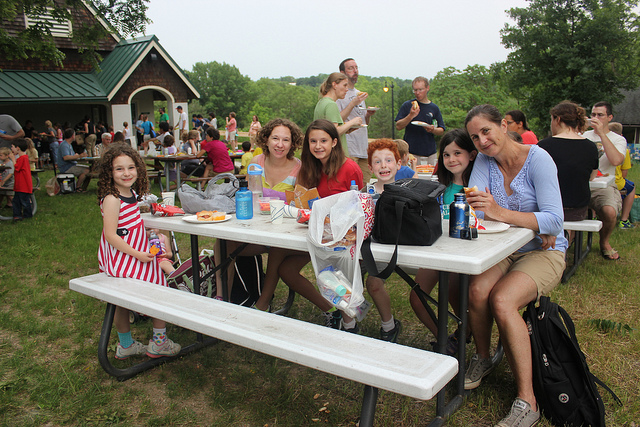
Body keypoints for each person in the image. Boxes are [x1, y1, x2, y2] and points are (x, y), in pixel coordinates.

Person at [463, 104, 567, 427]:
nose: (482, 141)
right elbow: (477, 208)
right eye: (474, 137)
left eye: (486, 131)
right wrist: (534, 222)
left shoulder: (538, 159)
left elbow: (555, 221)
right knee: (477, 290)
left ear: (504, 126)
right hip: (504, 248)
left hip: (545, 251)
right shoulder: (484, 160)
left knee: (502, 300)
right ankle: (483, 357)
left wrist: (504, 214)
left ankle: (528, 401)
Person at [97, 143, 181, 359]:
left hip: (132, 252)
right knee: (159, 287)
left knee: (121, 301)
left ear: (138, 169)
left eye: (131, 167)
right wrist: (138, 255)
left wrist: (147, 231)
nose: (126, 173)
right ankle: (159, 343)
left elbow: (128, 225)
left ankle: (126, 345)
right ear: (109, 172)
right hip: (124, 258)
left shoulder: (130, 193)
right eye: (119, 169)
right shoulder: (112, 198)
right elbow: (111, 235)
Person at [278, 119, 364, 330]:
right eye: (313, 141)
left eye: (323, 141)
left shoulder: (349, 168)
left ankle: (349, 324)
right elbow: (300, 203)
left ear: (334, 142)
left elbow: (360, 207)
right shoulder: (307, 168)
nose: (318, 146)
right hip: (314, 236)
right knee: (285, 269)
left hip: (343, 241)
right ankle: (330, 309)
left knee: (334, 275)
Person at [215, 118, 304, 310]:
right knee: (222, 243)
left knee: (277, 248)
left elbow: (300, 207)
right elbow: (246, 197)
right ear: (266, 139)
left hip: (283, 234)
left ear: (293, 143)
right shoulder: (256, 163)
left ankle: (263, 303)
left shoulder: (299, 168)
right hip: (255, 231)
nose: (280, 145)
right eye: (275, 138)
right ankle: (222, 297)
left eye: (286, 140)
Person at [409, 129, 477, 353]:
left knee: (454, 291)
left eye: (457, 153)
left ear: (472, 155)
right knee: (417, 296)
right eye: (446, 155)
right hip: (438, 251)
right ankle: (444, 340)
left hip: (465, 254)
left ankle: (467, 331)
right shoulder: (438, 187)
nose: (451, 159)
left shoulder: (478, 186)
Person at [363, 139, 404, 341]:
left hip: (390, 249)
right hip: (364, 248)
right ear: (370, 168)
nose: (383, 166)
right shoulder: (364, 194)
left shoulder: (405, 193)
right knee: (343, 276)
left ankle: (389, 326)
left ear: (398, 164)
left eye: (388, 160)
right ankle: (348, 324)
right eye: (377, 162)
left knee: (374, 283)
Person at [538, 101, 599, 221]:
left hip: (548, 210)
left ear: (558, 120)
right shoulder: (590, 146)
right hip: (578, 210)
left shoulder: (544, 146)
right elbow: (592, 176)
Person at [582, 101, 626, 260]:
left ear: (609, 117)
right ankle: (568, 242)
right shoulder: (583, 135)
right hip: (581, 185)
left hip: (604, 187)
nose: (595, 118)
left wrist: (602, 134)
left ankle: (604, 242)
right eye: (593, 114)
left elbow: (616, 161)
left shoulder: (618, 139)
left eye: (600, 115)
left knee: (609, 212)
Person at [336, 58, 376, 182]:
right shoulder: (339, 95)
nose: (355, 71)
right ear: (342, 73)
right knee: (350, 186)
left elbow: (364, 123)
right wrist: (353, 103)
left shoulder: (359, 94)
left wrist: (368, 115)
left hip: (363, 149)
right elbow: (337, 120)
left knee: (364, 186)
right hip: (349, 151)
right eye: (351, 68)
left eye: (356, 68)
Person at [395, 77, 445, 165]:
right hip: (411, 152)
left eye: (420, 90)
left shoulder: (434, 108)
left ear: (427, 88)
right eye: (415, 90)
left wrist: (433, 129)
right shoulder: (408, 105)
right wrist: (411, 115)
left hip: (430, 153)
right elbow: (398, 126)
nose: (417, 93)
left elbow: (441, 130)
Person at [314, 72, 363, 158]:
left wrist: (347, 129)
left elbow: (326, 130)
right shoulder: (331, 104)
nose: (347, 89)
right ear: (334, 85)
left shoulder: (321, 102)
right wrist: (352, 122)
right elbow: (334, 131)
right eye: (344, 85)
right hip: (335, 156)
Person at [609, 122, 636, 229]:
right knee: (631, 187)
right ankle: (624, 220)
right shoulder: (625, 150)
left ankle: (593, 216)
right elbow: (624, 174)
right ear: (621, 136)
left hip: (599, 179)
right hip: (616, 182)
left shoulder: (600, 147)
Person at [9, 138, 34, 220]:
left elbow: (17, 167)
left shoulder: (22, 158)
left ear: (17, 148)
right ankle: (17, 215)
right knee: (16, 201)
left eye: (12, 147)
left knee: (25, 201)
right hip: (20, 185)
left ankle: (27, 215)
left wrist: (13, 159)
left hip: (23, 185)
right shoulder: (23, 158)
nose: (11, 149)